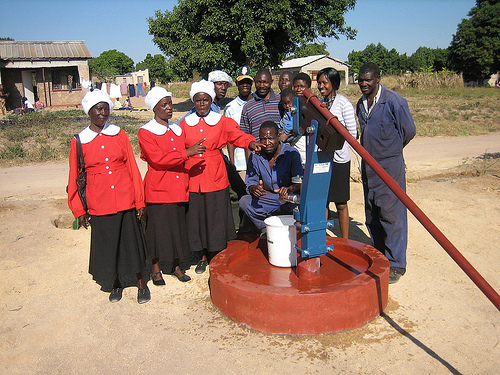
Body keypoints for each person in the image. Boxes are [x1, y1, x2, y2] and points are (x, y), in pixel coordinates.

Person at [67, 89, 150, 303]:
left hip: (125, 197)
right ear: (89, 112)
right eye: (98, 108)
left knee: (132, 243)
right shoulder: (79, 141)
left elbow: (132, 167)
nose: (102, 112)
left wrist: (139, 200)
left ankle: (141, 284)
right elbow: (74, 177)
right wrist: (79, 210)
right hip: (99, 201)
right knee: (109, 245)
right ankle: (116, 283)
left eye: (105, 108)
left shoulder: (119, 134)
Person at [180, 80, 261, 274]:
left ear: (211, 100)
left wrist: (250, 144)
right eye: (198, 100)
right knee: (196, 217)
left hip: (215, 173)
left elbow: (237, 135)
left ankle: (216, 253)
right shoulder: (184, 123)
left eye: (206, 100)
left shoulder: (221, 121)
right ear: (193, 101)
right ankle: (201, 255)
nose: (202, 104)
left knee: (215, 216)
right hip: (193, 177)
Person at [139, 86, 206, 284]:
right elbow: (158, 159)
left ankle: (176, 265)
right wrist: (187, 153)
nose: (169, 108)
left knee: (177, 229)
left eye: (170, 104)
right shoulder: (146, 131)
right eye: (164, 105)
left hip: (178, 188)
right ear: (154, 108)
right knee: (157, 231)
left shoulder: (177, 130)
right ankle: (155, 267)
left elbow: (182, 158)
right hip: (159, 189)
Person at [356, 62, 416, 284]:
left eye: (368, 80)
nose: (364, 83)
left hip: (389, 165)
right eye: (361, 79)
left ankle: (396, 263)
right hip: (368, 164)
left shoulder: (393, 101)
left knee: (392, 214)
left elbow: (409, 131)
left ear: (378, 79)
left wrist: (391, 151)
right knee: (372, 210)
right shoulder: (361, 104)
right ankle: (380, 253)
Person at [239, 121, 303, 233]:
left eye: (271, 138)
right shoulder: (256, 156)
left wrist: (289, 189)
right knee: (244, 201)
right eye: (263, 139)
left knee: (300, 204)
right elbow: (250, 182)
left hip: (288, 199)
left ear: (278, 137)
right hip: (269, 198)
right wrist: (254, 188)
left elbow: (299, 181)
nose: (267, 143)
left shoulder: (291, 153)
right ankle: (265, 228)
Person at [317, 67, 358, 239]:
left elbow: (353, 134)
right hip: (323, 158)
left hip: (339, 159)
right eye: (319, 83)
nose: (321, 86)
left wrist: (336, 138)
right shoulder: (319, 103)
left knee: (340, 202)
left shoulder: (343, 103)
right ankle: (322, 237)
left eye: (324, 82)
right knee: (323, 200)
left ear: (333, 83)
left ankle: (344, 240)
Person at [224, 66, 254, 179]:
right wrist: (233, 165)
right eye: (241, 82)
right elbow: (230, 137)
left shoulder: (259, 102)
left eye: (247, 82)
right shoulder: (230, 107)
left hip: (261, 161)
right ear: (237, 84)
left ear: (252, 83)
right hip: (241, 164)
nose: (245, 85)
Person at [240, 68, 281, 145]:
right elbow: (245, 138)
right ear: (254, 82)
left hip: (281, 154)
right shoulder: (248, 107)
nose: (262, 86)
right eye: (258, 82)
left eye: (265, 82)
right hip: (258, 155)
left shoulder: (281, 102)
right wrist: (250, 156)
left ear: (271, 82)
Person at [291, 72, 313, 165]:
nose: (298, 89)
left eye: (302, 86)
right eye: (296, 86)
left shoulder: (314, 105)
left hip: (308, 151)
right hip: (295, 150)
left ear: (309, 88)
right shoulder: (291, 103)